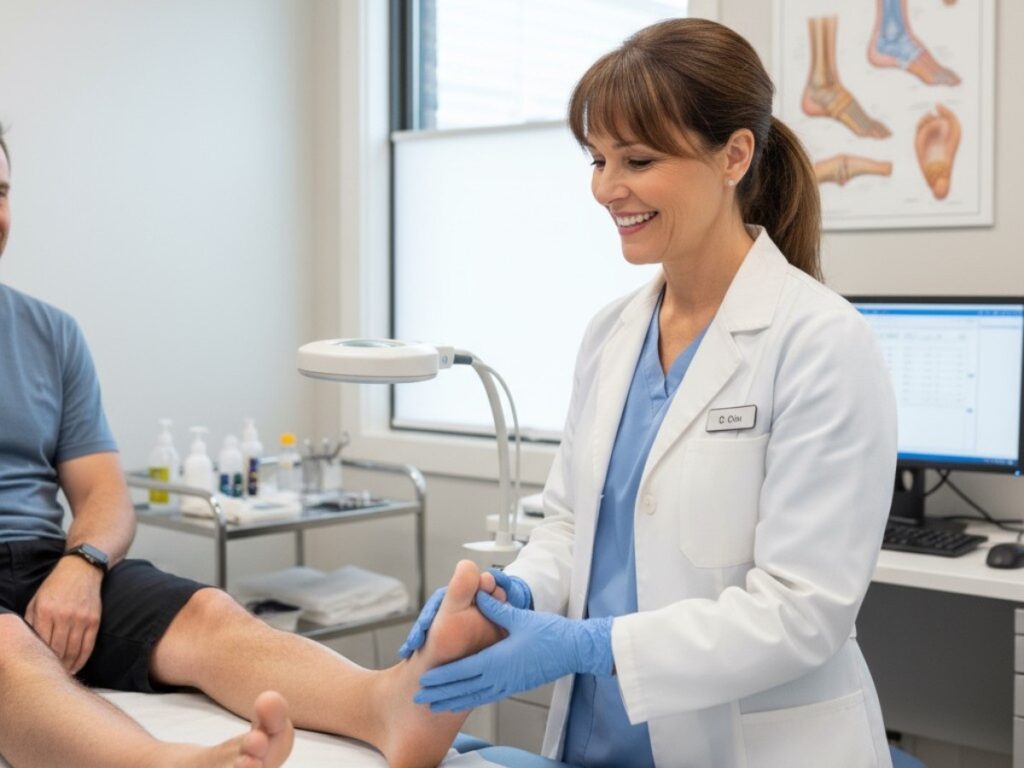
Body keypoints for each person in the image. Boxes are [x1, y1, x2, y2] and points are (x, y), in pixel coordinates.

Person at [401, 18, 898, 768]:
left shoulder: (822, 341)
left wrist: (591, 645)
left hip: (747, 745)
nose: (607, 188)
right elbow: (571, 528)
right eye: (598, 159)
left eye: (636, 159)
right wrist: (522, 594)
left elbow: (803, 612)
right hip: (597, 740)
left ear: (734, 155)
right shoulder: (612, 334)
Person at [0, 123, 506, 768]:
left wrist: (85, 564)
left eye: (0, 191)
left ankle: (385, 704)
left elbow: (104, 494)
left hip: (48, 564)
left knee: (211, 612)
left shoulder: (49, 333)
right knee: (6, 649)